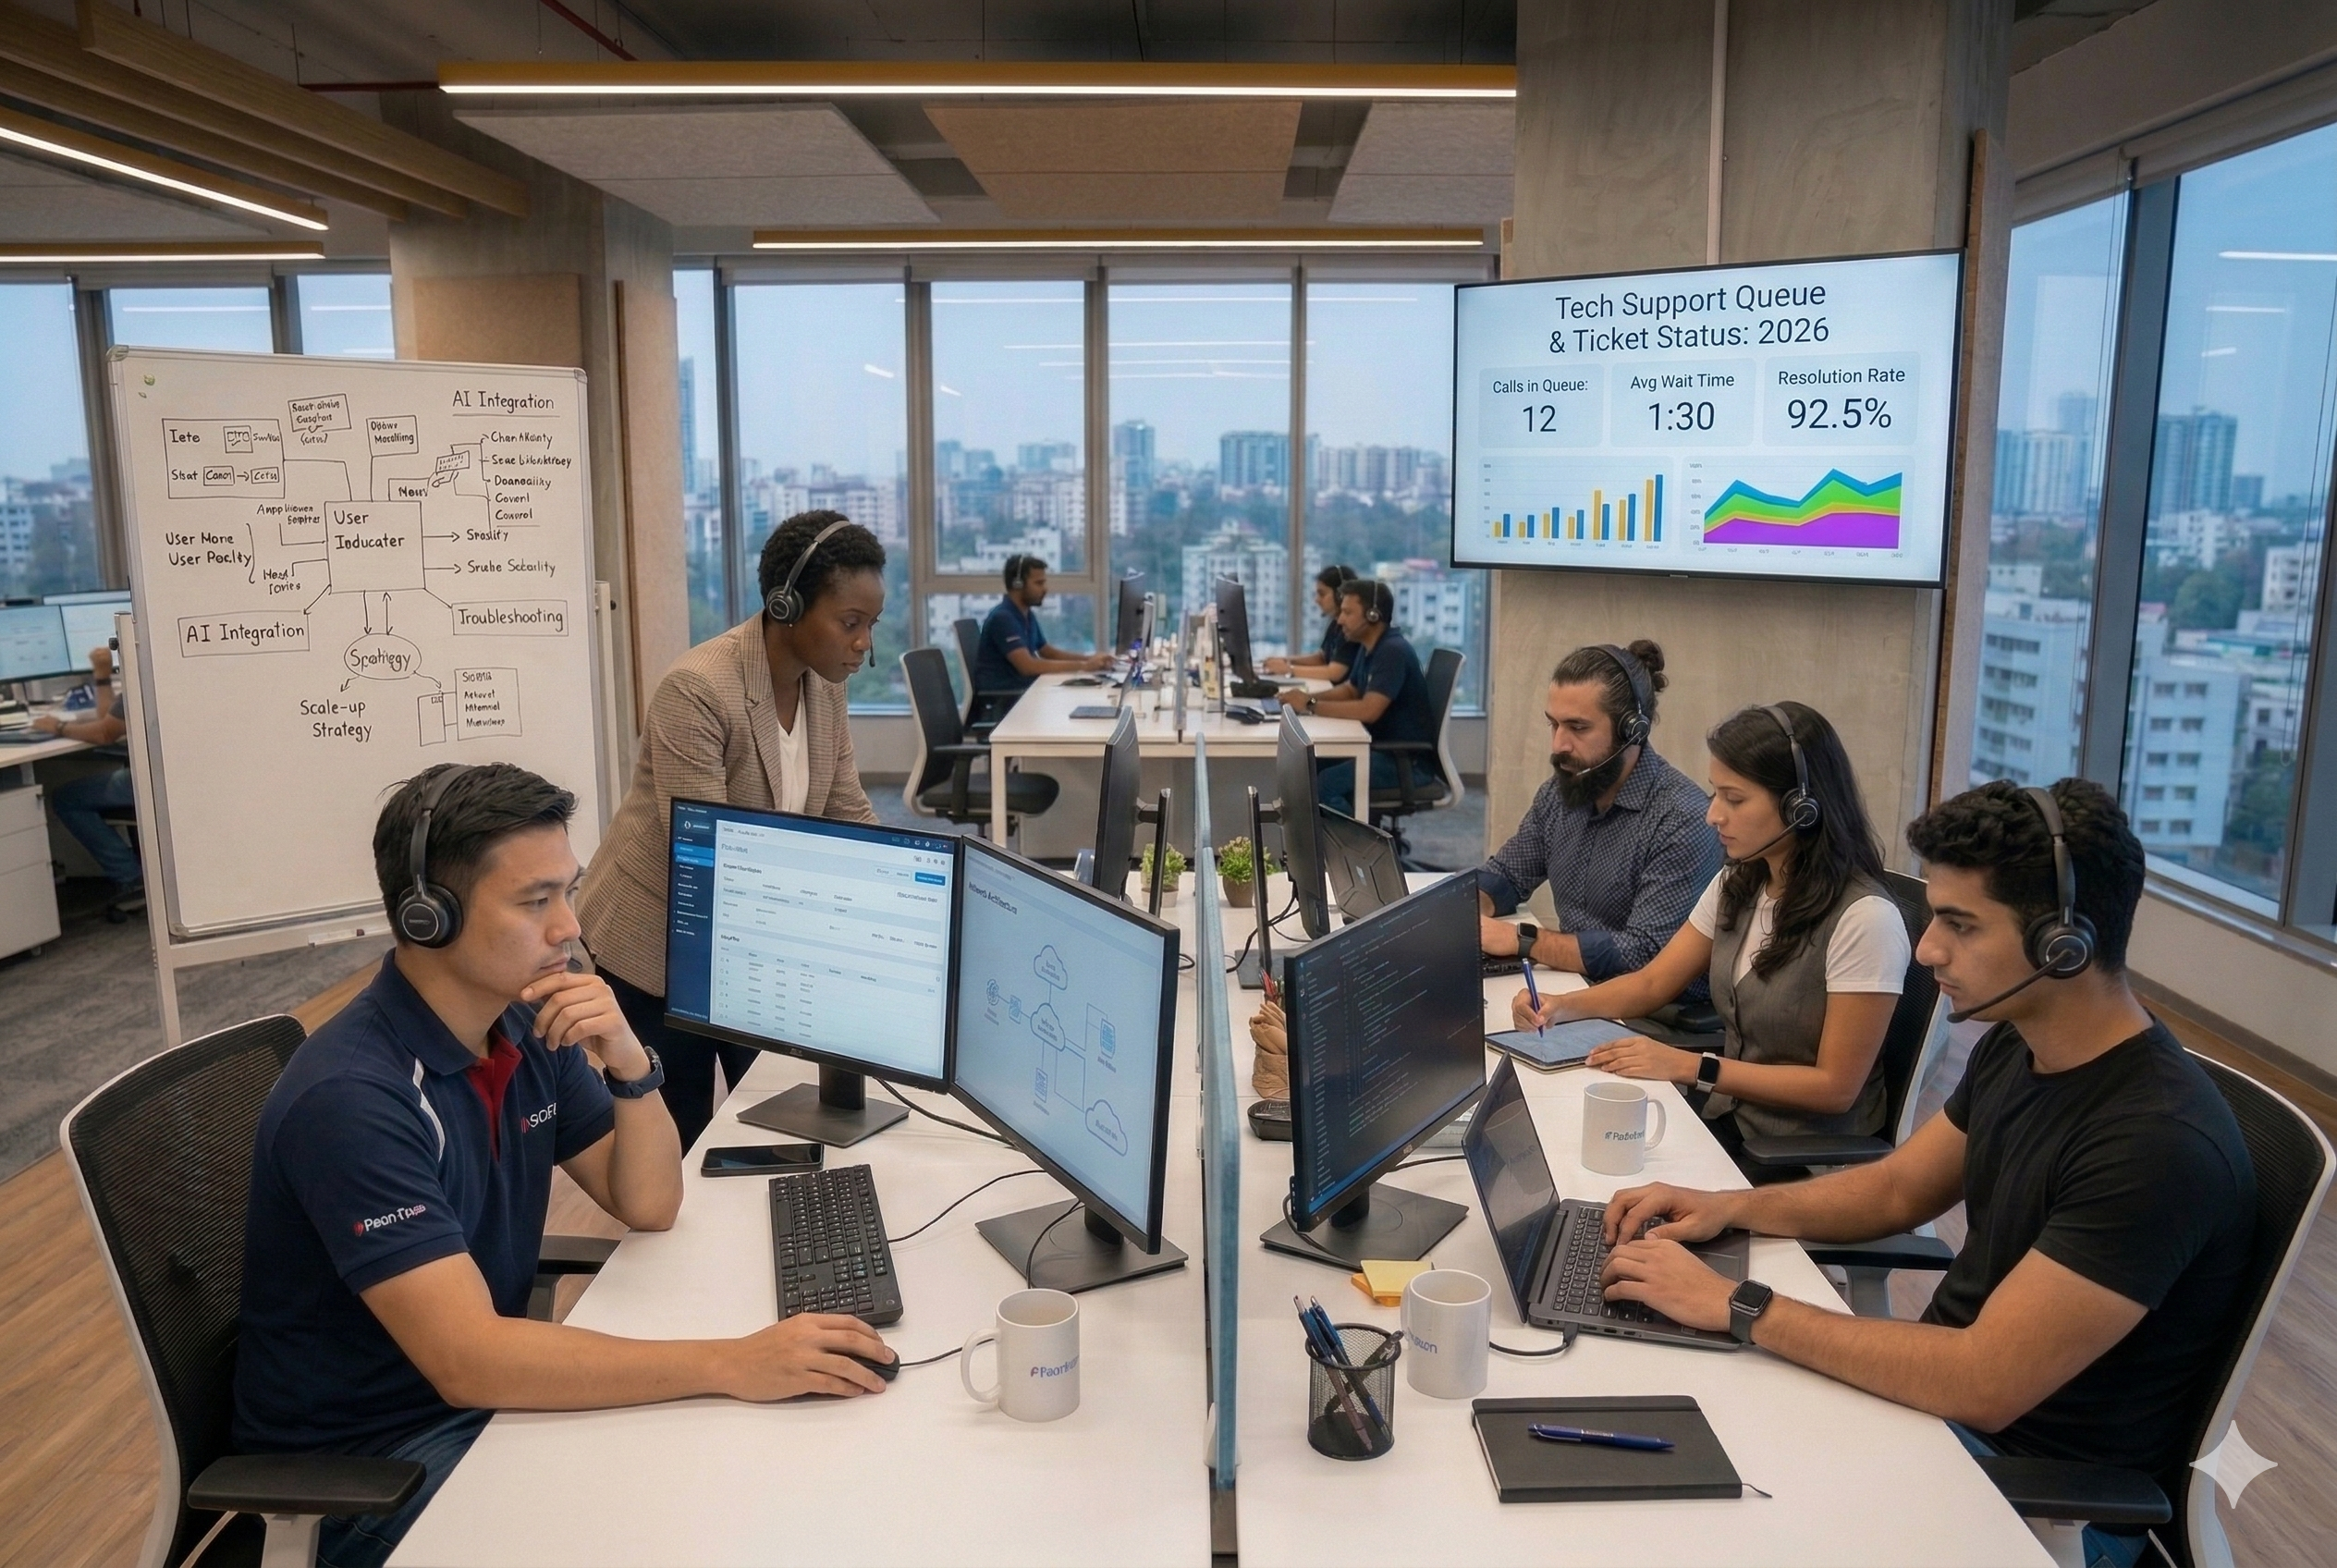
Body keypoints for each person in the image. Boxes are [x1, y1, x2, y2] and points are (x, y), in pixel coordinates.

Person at [237, 765, 892, 1568]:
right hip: (375, 1468)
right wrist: (730, 1361)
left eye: (567, 893)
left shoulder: (519, 1022)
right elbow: (469, 1361)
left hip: (483, 1414)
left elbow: (645, 1200)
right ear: (428, 917)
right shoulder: (355, 1099)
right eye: (533, 901)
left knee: (738, 1476)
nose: (568, 928)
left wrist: (627, 1059)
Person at [1592, 778, 2253, 1568]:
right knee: (1642, 1431)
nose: (1929, 947)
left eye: (1961, 924)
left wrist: (1735, 1302)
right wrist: (1725, 1207)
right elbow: (1900, 1188)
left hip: (2025, 1502)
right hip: (1937, 1422)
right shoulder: (2023, 1037)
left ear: (2063, 944)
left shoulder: (2155, 1144)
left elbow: (1983, 1382)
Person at [578, 510, 886, 1152]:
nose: (863, 644)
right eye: (850, 623)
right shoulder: (698, 689)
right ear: (787, 605)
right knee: (678, 1136)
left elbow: (849, 813)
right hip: (661, 941)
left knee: (782, 1119)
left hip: (758, 944)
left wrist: (898, 897)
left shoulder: (825, 690)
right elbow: (707, 857)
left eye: (871, 626)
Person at [1513, 703, 1909, 1176]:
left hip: (1812, 1161)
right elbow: (1653, 983)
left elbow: (1835, 1088)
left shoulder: (1865, 920)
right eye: (1714, 794)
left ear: (1800, 809)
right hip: (1736, 1124)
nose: (1713, 815)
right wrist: (1560, 1006)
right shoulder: (1740, 882)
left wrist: (1691, 1066)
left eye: (1734, 799)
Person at [1476, 641, 1722, 996]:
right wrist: (1469, 912)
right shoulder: (1561, 793)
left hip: (1653, 1017)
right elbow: (1507, 875)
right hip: (1575, 986)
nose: (1558, 745)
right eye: (1554, 725)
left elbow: (1646, 953)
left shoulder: (1681, 819)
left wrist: (1525, 941)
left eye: (1577, 728)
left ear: (1632, 732)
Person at [1280, 578, 1434, 817]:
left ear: (1373, 615)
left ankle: (1353, 853)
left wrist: (1310, 705)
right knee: (1308, 767)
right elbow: (1351, 689)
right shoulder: (1370, 646)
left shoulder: (1392, 652)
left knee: (1325, 785)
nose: (1340, 620)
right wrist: (1305, 699)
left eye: (1347, 612)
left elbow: (1368, 710)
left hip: (1403, 761)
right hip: (1381, 749)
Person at [33, 643, 141, 901]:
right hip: (189, 777)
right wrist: (102, 676)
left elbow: (104, 734)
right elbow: (109, 721)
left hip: (151, 781)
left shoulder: (144, 677)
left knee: (67, 799)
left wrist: (58, 726)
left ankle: (130, 876)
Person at [973, 553, 1111, 714]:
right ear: (1017, 584)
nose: (1045, 589)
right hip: (1005, 700)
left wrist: (1091, 659)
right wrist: (1085, 666)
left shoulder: (1025, 614)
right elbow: (1028, 666)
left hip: (1022, 694)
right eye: (1038, 583)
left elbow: (1047, 651)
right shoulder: (1003, 618)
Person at [1263, 563, 1356, 682]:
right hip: (1331, 690)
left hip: (1339, 695)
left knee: (1303, 700)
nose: (1317, 600)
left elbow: (1334, 673)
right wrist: (1283, 661)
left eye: (1322, 594)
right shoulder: (1335, 624)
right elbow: (1322, 658)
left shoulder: (1351, 630)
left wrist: (1288, 669)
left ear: (1340, 596)